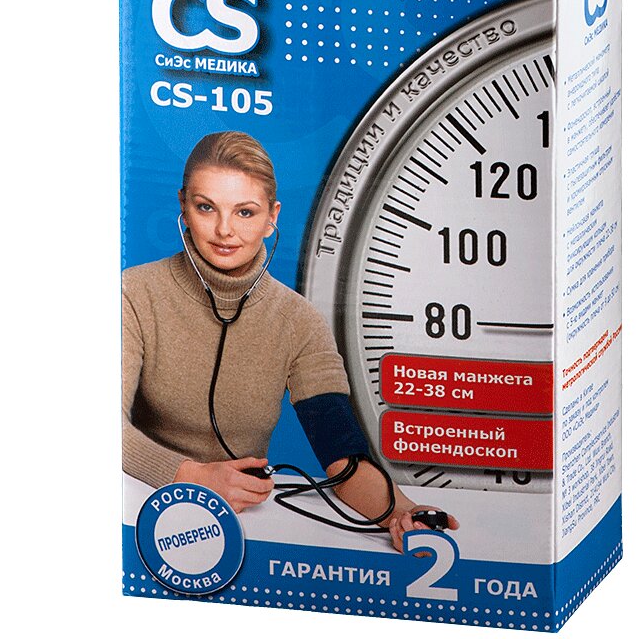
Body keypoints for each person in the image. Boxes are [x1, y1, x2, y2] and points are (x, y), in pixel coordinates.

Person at [122, 131, 459, 552]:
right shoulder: (133, 293)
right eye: (206, 207)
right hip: (135, 507)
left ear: (272, 217)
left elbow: (343, 454)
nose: (224, 230)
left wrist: (401, 512)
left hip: (243, 526)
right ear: (183, 207)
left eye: (245, 212)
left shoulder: (299, 321)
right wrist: (191, 477)